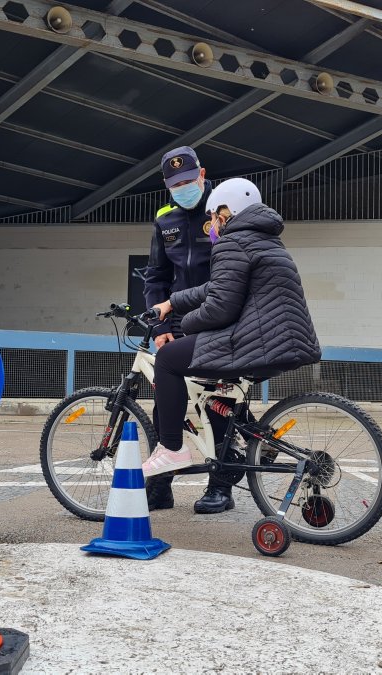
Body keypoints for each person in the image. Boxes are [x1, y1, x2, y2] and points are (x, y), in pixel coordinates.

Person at [142, 178, 322, 478]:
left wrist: (186, 325)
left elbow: (219, 307)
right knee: (214, 392)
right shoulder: (264, 239)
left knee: (169, 359)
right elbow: (219, 286)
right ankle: (255, 438)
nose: (212, 223)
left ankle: (172, 449)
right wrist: (171, 303)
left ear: (226, 212)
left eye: (213, 216)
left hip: (255, 340)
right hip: (284, 341)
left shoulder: (232, 242)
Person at [142, 146, 237, 514]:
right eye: (174, 183)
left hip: (220, 319)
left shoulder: (222, 210)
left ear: (202, 173)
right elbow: (157, 277)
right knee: (166, 404)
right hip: (177, 321)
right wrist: (160, 326)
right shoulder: (164, 218)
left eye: (187, 180)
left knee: (217, 403)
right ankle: (161, 487)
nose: (182, 187)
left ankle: (221, 486)